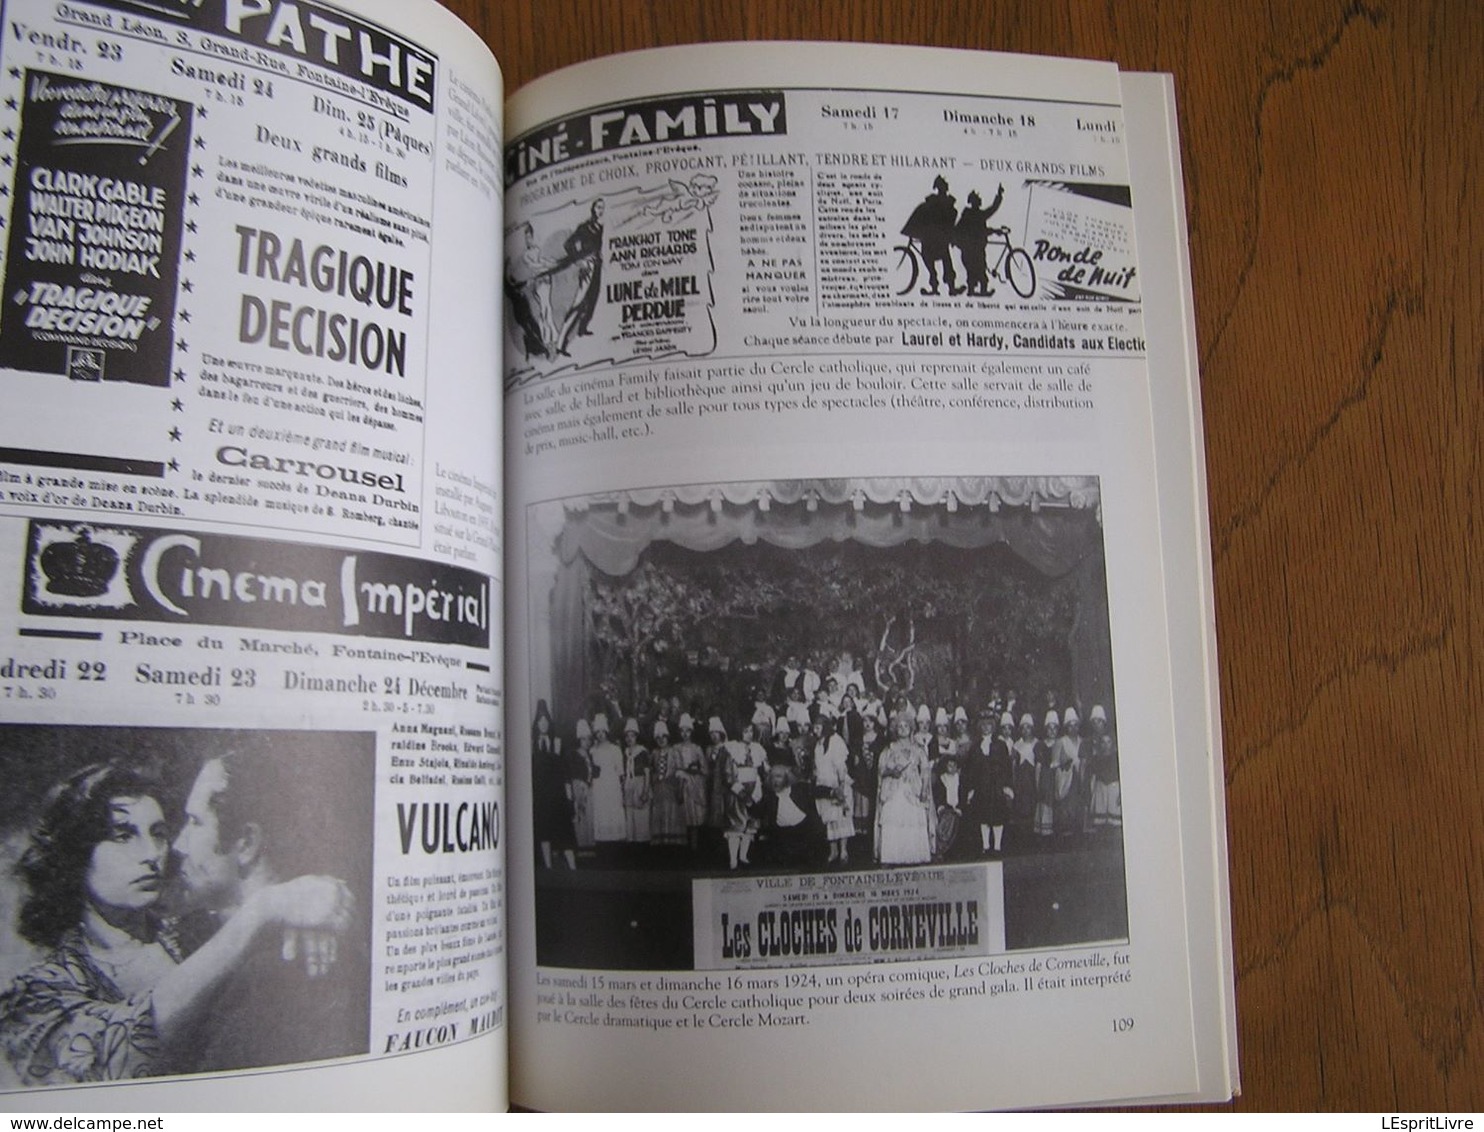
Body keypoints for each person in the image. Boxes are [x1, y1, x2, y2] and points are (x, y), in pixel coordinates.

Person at [0, 762, 352, 1085]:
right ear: (75, 855)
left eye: (158, 833)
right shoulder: (37, 994)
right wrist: (262, 909)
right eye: (123, 835)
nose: (152, 854)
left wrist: (319, 896)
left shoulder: (199, 933)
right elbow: (115, 1053)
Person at [168, 752, 366, 1073]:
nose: (178, 844)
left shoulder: (283, 970)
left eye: (195, 822)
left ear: (246, 843)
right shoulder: (195, 936)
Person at [875, 711, 933, 865]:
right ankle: (891, 857)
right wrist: (890, 772)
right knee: (893, 820)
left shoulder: (918, 749)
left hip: (912, 789)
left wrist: (925, 789)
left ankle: (914, 856)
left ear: (911, 728)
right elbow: (881, 769)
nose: (902, 729)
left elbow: (925, 770)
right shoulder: (889, 749)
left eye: (905, 725)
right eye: (899, 726)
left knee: (912, 820)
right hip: (894, 789)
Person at [749, 765, 827, 870]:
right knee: (785, 863)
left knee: (810, 860)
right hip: (783, 833)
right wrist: (747, 801)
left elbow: (817, 790)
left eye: (778, 777)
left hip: (804, 828)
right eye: (772, 777)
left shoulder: (799, 788)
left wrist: (833, 792)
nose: (775, 781)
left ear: (787, 778)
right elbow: (757, 811)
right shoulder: (769, 797)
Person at [554, 199, 605, 354]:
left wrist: (599, 256)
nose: (600, 210)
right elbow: (568, 244)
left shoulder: (600, 228)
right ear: (592, 209)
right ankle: (560, 343)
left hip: (597, 267)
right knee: (578, 303)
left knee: (593, 298)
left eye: (602, 208)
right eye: (598, 207)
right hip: (587, 267)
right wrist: (580, 260)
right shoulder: (584, 227)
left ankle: (582, 329)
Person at [531, 701, 576, 869]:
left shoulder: (557, 742)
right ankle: (549, 869)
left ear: (549, 723)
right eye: (540, 721)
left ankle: (573, 870)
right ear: (536, 724)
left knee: (565, 834)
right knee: (544, 834)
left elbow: (565, 773)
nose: (543, 724)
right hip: (542, 796)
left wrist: (569, 797)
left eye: (546, 721)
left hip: (557, 796)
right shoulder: (533, 745)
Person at [901, 175, 961, 295]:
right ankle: (948, 288)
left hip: (932, 240)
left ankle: (941, 288)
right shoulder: (947, 206)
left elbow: (920, 218)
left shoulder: (932, 205)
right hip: (937, 240)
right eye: (944, 185)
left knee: (934, 263)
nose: (946, 187)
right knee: (945, 263)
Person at [810, 717, 855, 864]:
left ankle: (844, 851)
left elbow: (841, 766)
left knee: (841, 817)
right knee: (829, 818)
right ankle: (833, 851)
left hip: (837, 783)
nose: (815, 730)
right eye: (814, 727)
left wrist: (841, 787)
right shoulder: (818, 744)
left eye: (818, 727)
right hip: (824, 785)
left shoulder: (835, 740)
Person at [952, 184, 1005, 296]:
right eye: (978, 199)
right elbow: (982, 229)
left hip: (968, 251)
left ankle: (972, 291)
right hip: (974, 251)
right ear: (974, 202)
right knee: (980, 272)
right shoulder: (977, 215)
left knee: (973, 272)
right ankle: (981, 291)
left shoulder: (968, 215)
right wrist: (995, 231)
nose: (980, 200)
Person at [587, 713, 626, 849]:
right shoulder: (592, 750)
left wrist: (620, 789)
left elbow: (620, 771)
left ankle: (615, 847)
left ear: (607, 732)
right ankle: (602, 848)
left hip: (612, 785)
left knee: (612, 812)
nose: (600, 735)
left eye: (602, 731)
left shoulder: (615, 749)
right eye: (597, 732)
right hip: (598, 786)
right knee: (601, 813)